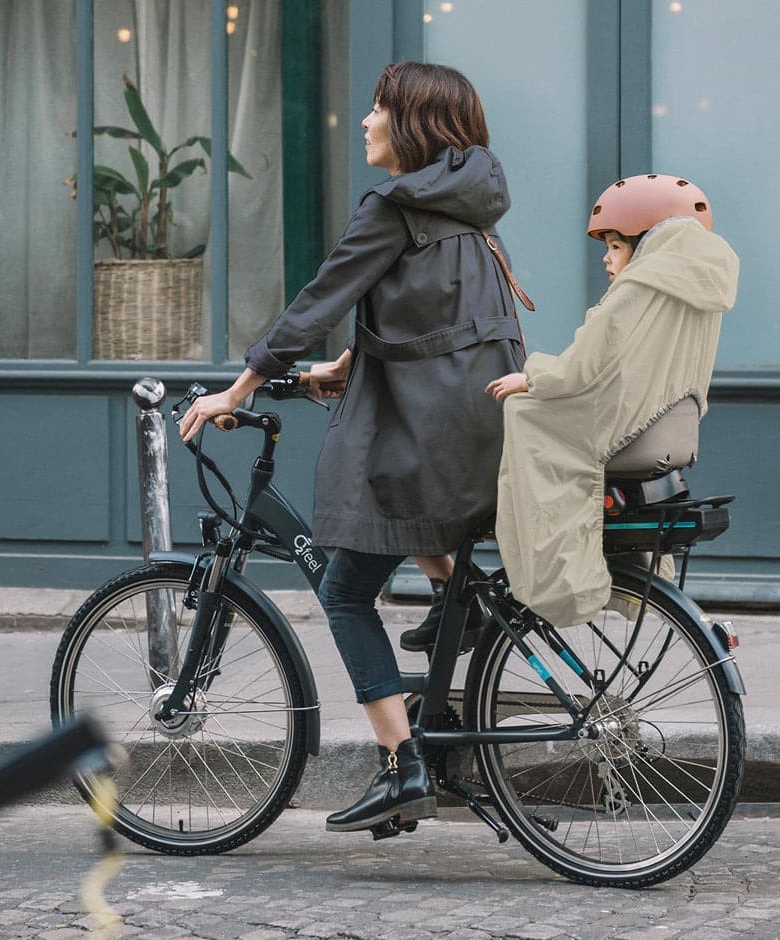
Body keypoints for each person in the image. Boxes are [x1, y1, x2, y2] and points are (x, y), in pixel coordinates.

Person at [179, 61, 525, 833]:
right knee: (400, 522)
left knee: (342, 591)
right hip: (478, 424)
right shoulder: (470, 203)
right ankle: (454, 615)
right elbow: (439, 311)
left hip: (429, 435)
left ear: (411, 125)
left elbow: (318, 299)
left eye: (377, 110)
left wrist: (237, 390)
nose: (366, 122)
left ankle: (402, 767)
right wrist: (348, 364)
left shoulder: (396, 206)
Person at [485, 173, 740, 628]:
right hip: (666, 431)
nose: (607, 258)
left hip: (621, 429)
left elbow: (582, 367)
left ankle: (562, 587)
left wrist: (530, 375)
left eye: (616, 246)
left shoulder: (638, 287)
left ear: (647, 243)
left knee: (525, 415)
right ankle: (627, 584)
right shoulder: (700, 287)